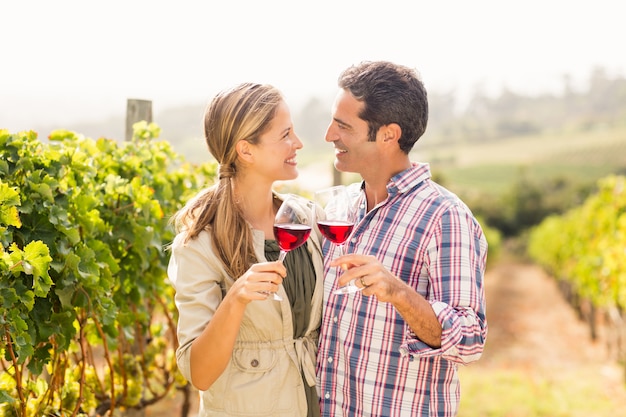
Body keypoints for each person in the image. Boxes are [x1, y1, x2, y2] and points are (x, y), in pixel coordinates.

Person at [316, 61, 488, 417]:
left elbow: (470, 341)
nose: (329, 135)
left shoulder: (444, 217)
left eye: (343, 125)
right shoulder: (339, 208)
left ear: (388, 135)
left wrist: (399, 293)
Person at [167, 82, 324, 417]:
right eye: (285, 135)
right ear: (246, 150)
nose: (297, 143)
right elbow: (200, 374)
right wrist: (235, 299)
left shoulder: (308, 220)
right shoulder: (199, 245)